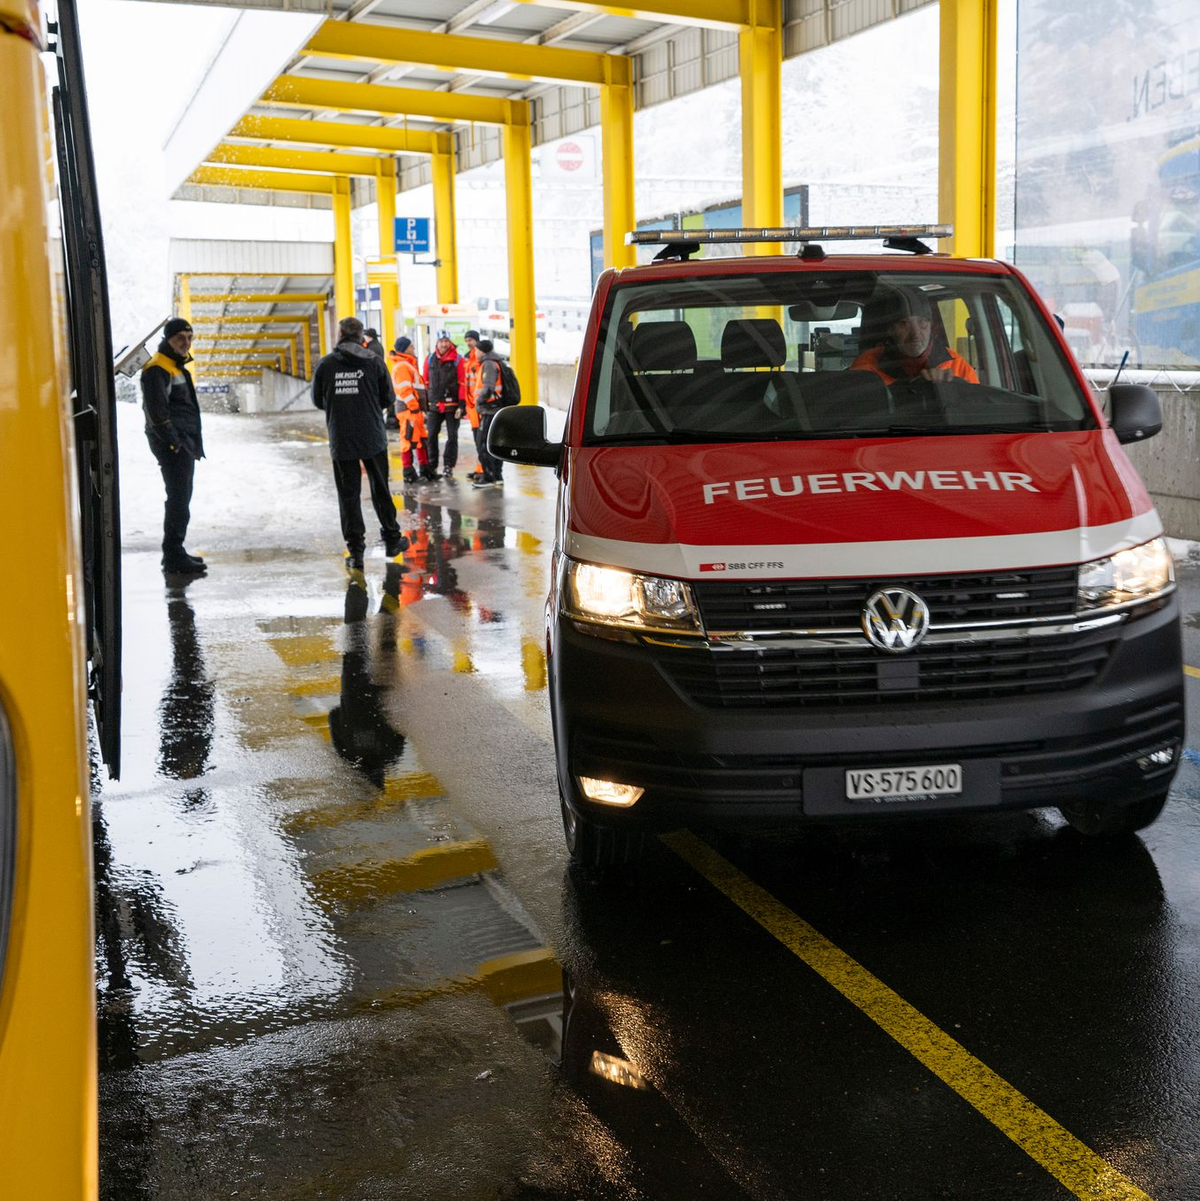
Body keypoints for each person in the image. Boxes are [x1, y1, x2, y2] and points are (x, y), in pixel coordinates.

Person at [312, 316, 408, 570]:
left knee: (348, 496)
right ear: (360, 335)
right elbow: (388, 397)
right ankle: (391, 540)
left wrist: (341, 406)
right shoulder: (375, 363)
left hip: (342, 438)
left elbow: (318, 401)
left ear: (340, 334)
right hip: (372, 436)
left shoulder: (326, 365)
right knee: (380, 488)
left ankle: (356, 553)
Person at [142, 316, 207, 576]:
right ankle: (173, 555)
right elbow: (157, 412)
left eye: (190, 338)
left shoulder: (175, 366)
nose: (186, 343)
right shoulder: (158, 368)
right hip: (173, 444)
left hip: (183, 443)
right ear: (168, 339)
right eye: (180, 338)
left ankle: (176, 551)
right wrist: (174, 443)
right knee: (179, 500)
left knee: (182, 499)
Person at [851, 289, 979, 385]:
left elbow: (976, 413)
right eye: (904, 324)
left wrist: (948, 391)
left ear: (932, 326)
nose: (915, 334)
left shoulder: (958, 367)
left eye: (922, 322)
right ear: (891, 330)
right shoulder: (867, 369)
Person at [389, 336, 435, 485]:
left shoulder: (406, 364)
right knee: (408, 440)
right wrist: (414, 406)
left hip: (414, 410)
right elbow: (405, 391)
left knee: (420, 439)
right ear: (405, 349)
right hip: (410, 410)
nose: (413, 349)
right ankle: (408, 472)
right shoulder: (402, 366)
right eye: (411, 347)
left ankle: (425, 469)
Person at [423, 330, 462, 478]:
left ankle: (448, 465)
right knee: (431, 436)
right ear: (437, 343)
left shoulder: (458, 360)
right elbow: (426, 381)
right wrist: (426, 402)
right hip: (434, 404)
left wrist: (462, 405)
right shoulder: (430, 359)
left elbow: (462, 383)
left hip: (452, 405)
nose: (444, 344)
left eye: (446, 341)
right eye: (441, 341)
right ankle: (432, 465)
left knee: (452, 436)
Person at [471, 338, 505, 489]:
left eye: (477, 350)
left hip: (490, 410)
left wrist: (479, 401)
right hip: (494, 409)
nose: (475, 352)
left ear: (482, 351)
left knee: (483, 443)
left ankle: (490, 476)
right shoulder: (494, 362)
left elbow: (488, 387)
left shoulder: (489, 364)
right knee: (493, 443)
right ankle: (496, 476)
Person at [460, 330, 486, 482]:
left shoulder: (479, 360)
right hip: (472, 408)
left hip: (479, 407)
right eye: (467, 340)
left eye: (471, 340)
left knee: (481, 441)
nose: (468, 343)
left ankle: (484, 470)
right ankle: (480, 468)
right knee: (478, 441)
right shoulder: (469, 359)